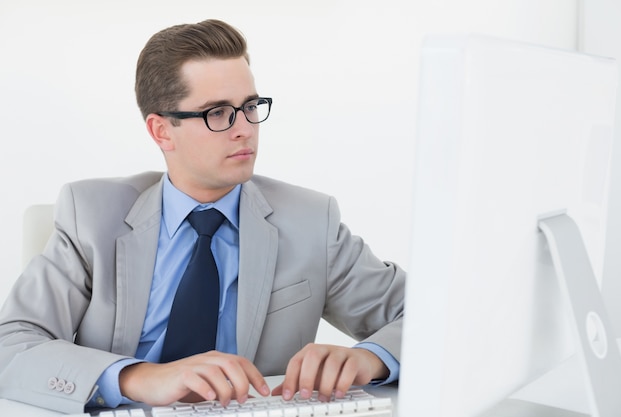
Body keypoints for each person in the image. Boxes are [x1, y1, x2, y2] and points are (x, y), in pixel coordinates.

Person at [0, 19, 405, 414]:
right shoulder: (90, 215)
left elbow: (431, 314)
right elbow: (12, 344)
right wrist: (138, 378)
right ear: (161, 131)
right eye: (217, 113)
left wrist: (372, 358)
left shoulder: (311, 221)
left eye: (250, 106)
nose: (244, 128)